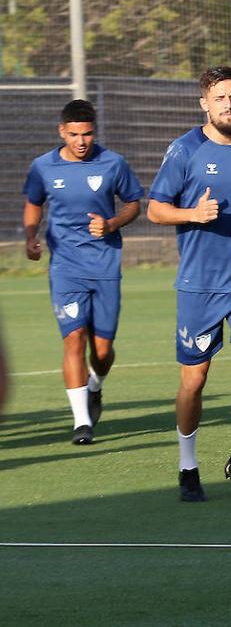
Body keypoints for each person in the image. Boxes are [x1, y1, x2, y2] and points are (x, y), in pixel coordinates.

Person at [148, 66, 231, 502]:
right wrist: (192, 215)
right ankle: (188, 466)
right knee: (194, 381)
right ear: (204, 103)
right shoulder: (184, 151)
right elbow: (155, 210)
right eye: (220, 98)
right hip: (199, 286)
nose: (229, 104)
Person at [23, 99, 144, 444]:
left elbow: (134, 203)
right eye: (74, 134)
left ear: (95, 132)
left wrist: (113, 223)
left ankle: (94, 386)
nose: (81, 141)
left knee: (102, 351)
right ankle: (81, 423)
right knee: (73, 339)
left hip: (105, 266)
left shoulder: (113, 164)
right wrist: (31, 237)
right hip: (66, 268)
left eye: (87, 134)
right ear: (62, 131)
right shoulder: (43, 167)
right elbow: (33, 203)